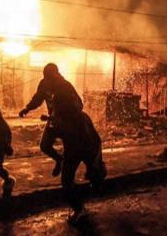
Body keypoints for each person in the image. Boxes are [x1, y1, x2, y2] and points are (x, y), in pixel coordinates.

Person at [41, 63, 107, 224]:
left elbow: (92, 142)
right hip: (77, 146)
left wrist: (93, 164)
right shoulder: (62, 100)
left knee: (70, 181)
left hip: (78, 147)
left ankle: (80, 208)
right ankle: (80, 204)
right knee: (46, 148)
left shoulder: (72, 111)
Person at [19, 63, 81, 177]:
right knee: (45, 146)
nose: (49, 81)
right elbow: (37, 98)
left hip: (68, 123)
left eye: (50, 77)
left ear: (56, 75)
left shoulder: (65, 86)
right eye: (46, 77)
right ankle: (59, 159)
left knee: (70, 151)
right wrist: (27, 109)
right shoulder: (44, 84)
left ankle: (68, 177)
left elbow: (79, 104)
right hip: (53, 121)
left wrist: (67, 116)